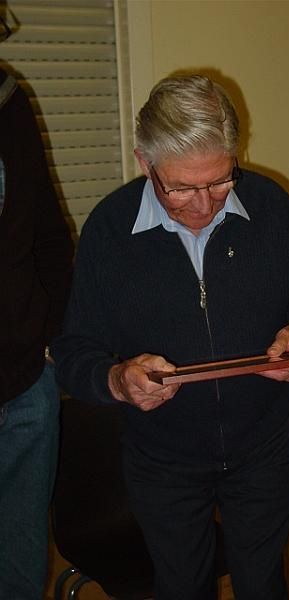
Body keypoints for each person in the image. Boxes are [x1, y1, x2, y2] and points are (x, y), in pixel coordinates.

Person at [52, 73, 289, 599]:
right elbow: (73, 351)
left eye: (219, 181)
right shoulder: (110, 229)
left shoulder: (269, 205)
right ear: (145, 163)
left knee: (262, 584)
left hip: (264, 445)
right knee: (182, 587)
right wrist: (118, 380)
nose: (204, 206)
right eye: (181, 188)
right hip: (162, 459)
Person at [0, 68, 74, 598]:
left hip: (25, 387)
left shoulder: (8, 101)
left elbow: (48, 235)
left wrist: (49, 342)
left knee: (20, 571)